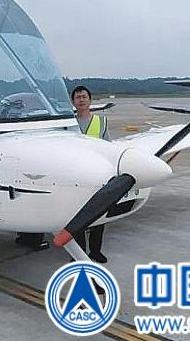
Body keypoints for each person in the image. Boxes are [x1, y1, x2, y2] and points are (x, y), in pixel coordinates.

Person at [71, 85, 110, 263]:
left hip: (97, 175)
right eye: (78, 97)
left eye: (84, 97)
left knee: (99, 214)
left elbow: (108, 146)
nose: (81, 100)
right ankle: (80, 253)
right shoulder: (69, 124)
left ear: (90, 100)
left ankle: (95, 251)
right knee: (77, 215)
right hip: (76, 177)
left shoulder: (101, 122)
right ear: (73, 102)